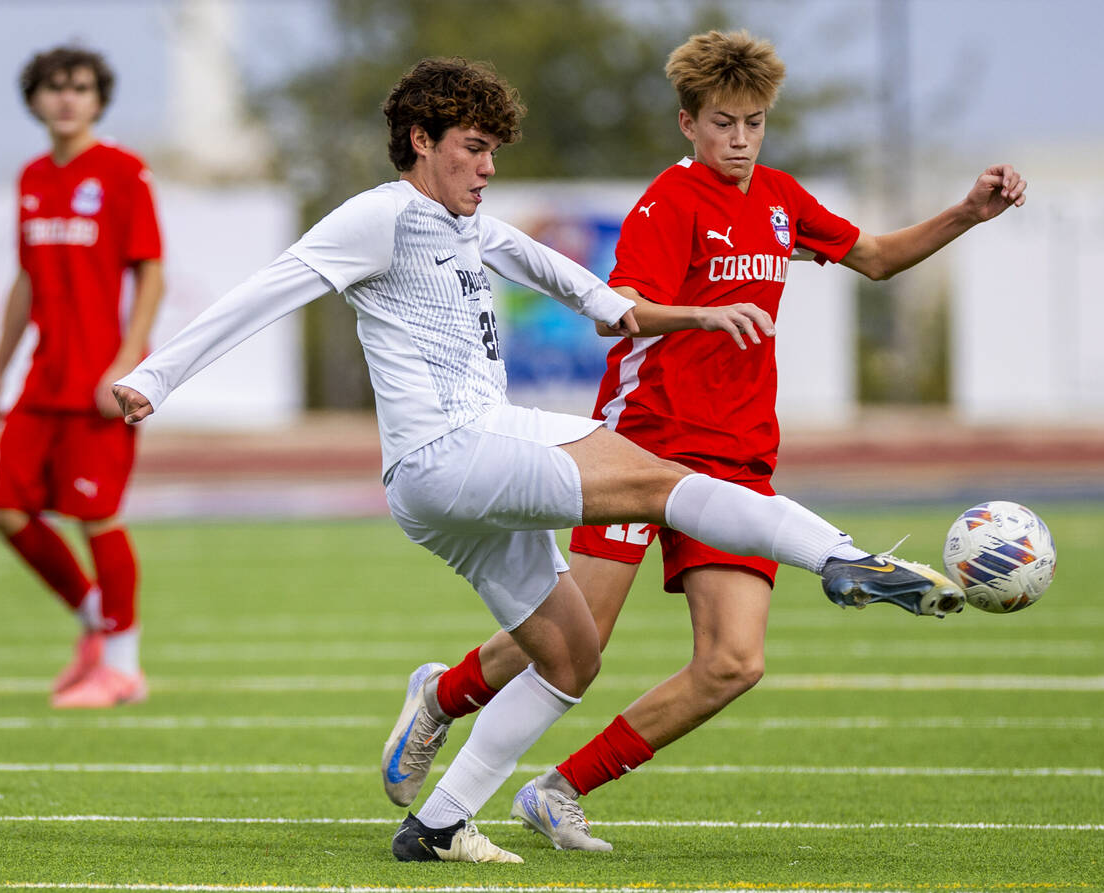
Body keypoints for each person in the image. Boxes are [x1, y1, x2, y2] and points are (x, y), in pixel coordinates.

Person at [111, 56, 961, 864]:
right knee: (666, 483)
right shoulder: (378, 216)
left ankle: (440, 823)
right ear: (420, 140)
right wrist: (155, 377)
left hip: (447, 486)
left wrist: (696, 317)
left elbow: (595, 299)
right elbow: (265, 290)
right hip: (457, 447)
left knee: (570, 657)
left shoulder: (473, 225)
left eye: (491, 151)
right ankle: (843, 558)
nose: (486, 168)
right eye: (474, 148)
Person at [379, 30, 1028, 853]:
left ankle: (559, 789)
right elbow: (626, 304)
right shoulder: (669, 203)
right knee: (573, 640)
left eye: (754, 123)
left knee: (734, 662)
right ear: (689, 123)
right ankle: (442, 698)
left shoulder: (783, 199)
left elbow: (874, 256)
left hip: (739, 455)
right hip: (642, 445)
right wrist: (701, 314)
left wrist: (969, 211)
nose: (741, 140)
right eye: (724, 123)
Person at [0, 46, 165, 709]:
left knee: (98, 516)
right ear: (35, 98)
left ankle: (123, 668)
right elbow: (26, 278)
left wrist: (126, 364)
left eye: (80, 87)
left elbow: (151, 271)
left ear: (97, 99)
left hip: (97, 382)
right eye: (54, 87)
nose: (67, 98)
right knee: (2, 506)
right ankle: (93, 616)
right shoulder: (31, 177)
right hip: (41, 381)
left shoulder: (122, 173)